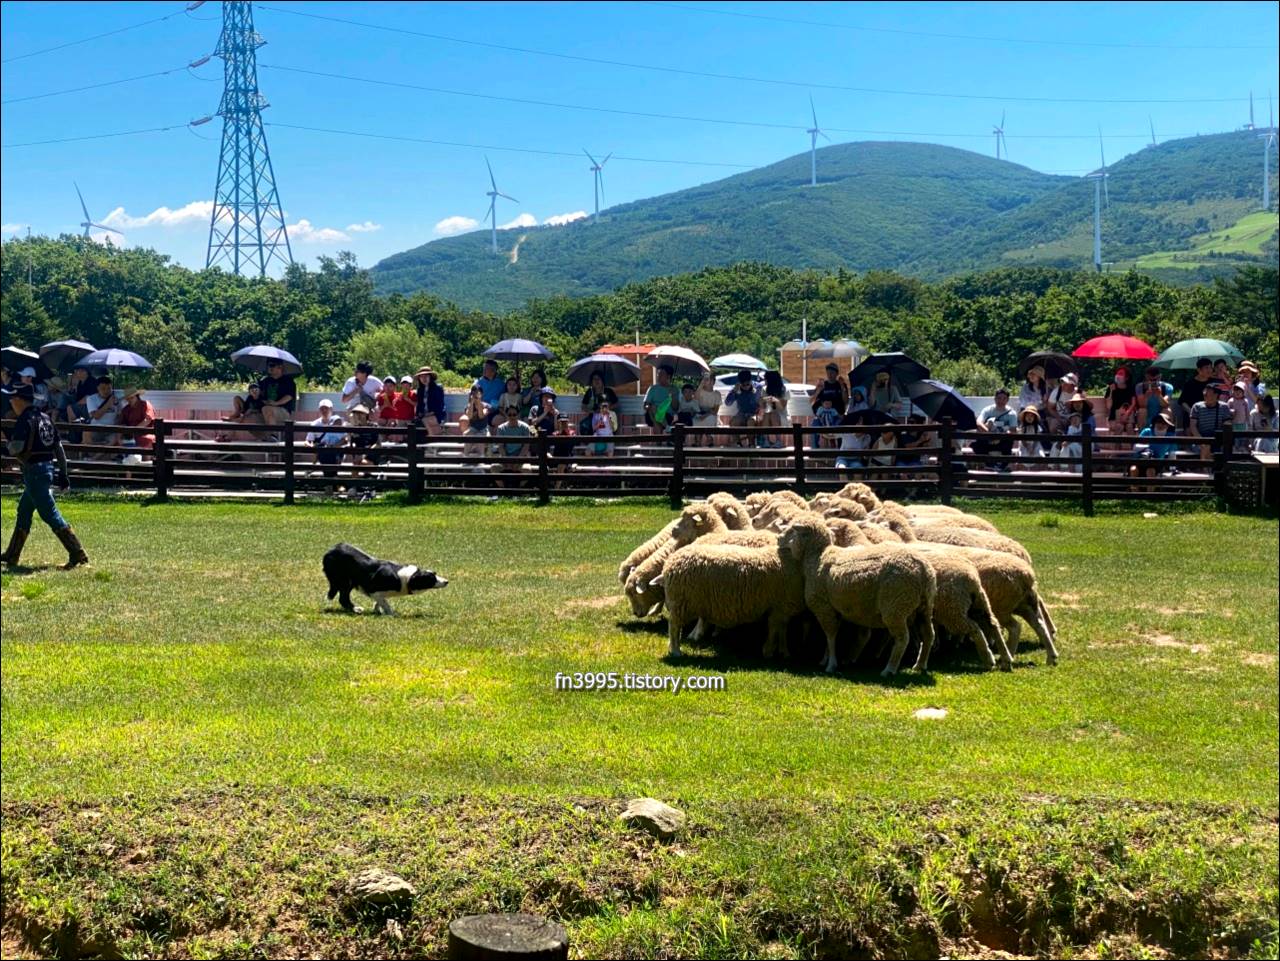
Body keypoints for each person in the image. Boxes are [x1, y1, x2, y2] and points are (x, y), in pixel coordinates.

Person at [1, 382, 89, 569]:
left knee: (50, 514)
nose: (11, 403)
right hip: (45, 469)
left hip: (33, 472)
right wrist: (63, 474)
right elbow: (58, 448)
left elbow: (15, 448)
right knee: (24, 510)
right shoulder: (45, 418)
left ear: (18, 400)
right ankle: (12, 554)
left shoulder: (25, 420)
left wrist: (7, 445)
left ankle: (77, 552)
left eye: (12, 399)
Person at [973, 388, 1017, 471]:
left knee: (1009, 441)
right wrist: (989, 434)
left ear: (1007, 400)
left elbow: (1013, 430)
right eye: (999, 398)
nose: (1001, 401)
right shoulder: (988, 410)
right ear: (995, 399)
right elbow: (978, 422)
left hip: (1003, 440)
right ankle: (989, 464)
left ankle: (1002, 466)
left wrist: (1001, 436)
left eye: (1004, 398)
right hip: (988, 437)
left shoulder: (1012, 413)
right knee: (977, 443)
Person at [1132, 410, 1179, 488]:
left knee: (1151, 471)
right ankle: (1134, 495)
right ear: (1154, 423)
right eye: (1158, 422)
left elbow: (1172, 453)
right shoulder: (1147, 431)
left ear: (1168, 425)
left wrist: (1173, 469)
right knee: (1133, 469)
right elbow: (1135, 447)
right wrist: (1147, 449)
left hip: (1156, 463)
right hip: (1140, 460)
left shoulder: (1171, 436)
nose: (1160, 424)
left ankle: (1150, 495)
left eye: (1164, 423)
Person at [1188, 381, 1233, 460]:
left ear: (1215, 395)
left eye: (1208, 394)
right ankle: (1206, 469)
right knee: (1205, 447)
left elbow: (1227, 424)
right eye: (1204, 394)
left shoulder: (1224, 407)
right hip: (1200, 438)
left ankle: (1210, 469)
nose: (1205, 395)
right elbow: (1193, 426)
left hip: (1217, 439)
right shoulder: (1197, 407)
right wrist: (1202, 441)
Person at [306, 398, 347, 481]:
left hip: (336, 450)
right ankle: (332, 481)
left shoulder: (338, 423)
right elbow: (308, 440)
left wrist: (334, 445)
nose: (324, 411)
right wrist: (311, 446)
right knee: (325, 453)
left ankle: (329, 481)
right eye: (322, 408)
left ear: (331, 409)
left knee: (330, 455)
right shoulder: (314, 424)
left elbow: (345, 439)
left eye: (326, 408)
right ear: (319, 410)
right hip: (322, 451)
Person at [1176, 358, 1220, 429]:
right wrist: (1192, 412)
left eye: (1210, 368)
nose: (1209, 370)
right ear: (1199, 370)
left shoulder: (1214, 382)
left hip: (1210, 417)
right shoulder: (1189, 384)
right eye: (1206, 368)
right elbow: (1182, 401)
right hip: (1192, 417)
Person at [258, 359, 297, 431]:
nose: (269, 367)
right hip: (265, 408)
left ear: (280, 367)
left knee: (267, 409)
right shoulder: (264, 381)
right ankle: (264, 438)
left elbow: (289, 396)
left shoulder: (288, 381)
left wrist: (275, 403)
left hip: (283, 411)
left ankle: (273, 436)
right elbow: (259, 395)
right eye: (268, 365)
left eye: (272, 365)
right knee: (249, 417)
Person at [723, 369, 760, 446]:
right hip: (742, 414)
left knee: (750, 422)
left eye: (748, 384)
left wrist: (754, 393)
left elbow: (762, 402)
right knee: (733, 422)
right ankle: (738, 444)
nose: (746, 387)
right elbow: (727, 403)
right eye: (743, 385)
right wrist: (734, 392)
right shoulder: (736, 389)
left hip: (755, 414)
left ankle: (751, 444)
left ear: (751, 381)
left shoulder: (758, 387)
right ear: (740, 383)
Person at [85, 376, 120, 450]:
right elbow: (96, 416)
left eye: (109, 388)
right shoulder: (91, 399)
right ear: (98, 388)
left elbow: (120, 415)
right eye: (103, 388)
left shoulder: (116, 398)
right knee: (86, 433)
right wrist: (108, 404)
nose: (106, 391)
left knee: (117, 437)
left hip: (111, 429)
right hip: (96, 428)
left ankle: (95, 458)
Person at [1135, 367, 1174, 432]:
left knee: (1167, 410)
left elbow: (1165, 405)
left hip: (1161, 415)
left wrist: (1159, 395)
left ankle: (1167, 434)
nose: (1153, 382)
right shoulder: (1140, 387)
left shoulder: (1167, 387)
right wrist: (1146, 396)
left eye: (1155, 379)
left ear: (1160, 377)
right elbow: (1142, 405)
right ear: (1146, 377)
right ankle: (1142, 436)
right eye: (1150, 379)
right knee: (1142, 411)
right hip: (1146, 416)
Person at [755, 370, 787, 448]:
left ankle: (778, 441)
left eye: (765, 379)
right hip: (768, 414)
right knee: (766, 415)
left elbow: (782, 408)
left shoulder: (783, 390)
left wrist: (776, 400)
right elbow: (762, 407)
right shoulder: (764, 389)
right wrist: (762, 400)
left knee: (773, 414)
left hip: (781, 416)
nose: (764, 380)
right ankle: (766, 441)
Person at [643, 364, 677, 434]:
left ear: (668, 376)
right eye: (658, 374)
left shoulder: (675, 389)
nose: (658, 376)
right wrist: (648, 407)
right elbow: (645, 405)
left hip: (668, 415)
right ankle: (667, 428)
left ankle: (659, 442)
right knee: (653, 408)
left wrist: (672, 396)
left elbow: (675, 408)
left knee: (656, 419)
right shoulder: (652, 388)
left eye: (661, 374)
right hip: (651, 414)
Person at [415, 367, 447, 436]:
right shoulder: (420, 390)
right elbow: (419, 406)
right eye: (421, 377)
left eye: (426, 376)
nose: (424, 379)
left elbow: (440, 405)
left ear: (430, 377)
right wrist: (419, 414)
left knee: (425, 421)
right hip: (424, 416)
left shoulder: (437, 388)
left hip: (437, 415)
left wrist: (431, 413)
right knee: (413, 423)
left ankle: (433, 440)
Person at [1227, 382, 1252, 452]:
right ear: (1233, 391)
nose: (1237, 393)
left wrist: (1249, 422)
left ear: (1243, 393)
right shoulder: (1230, 401)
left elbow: (1247, 412)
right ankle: (1235, 451)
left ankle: (1242, 451)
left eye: (1240, 391)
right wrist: (1231, 411)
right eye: (1236, 391)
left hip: (1243, 424)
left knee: (1242, 438)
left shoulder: (1245, 401)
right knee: (1235, 439)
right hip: (1233, 424)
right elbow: (1226, 411)